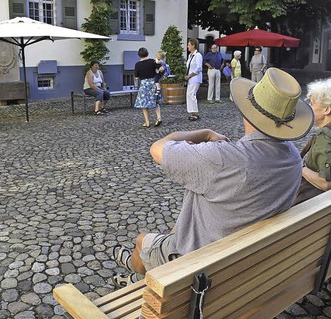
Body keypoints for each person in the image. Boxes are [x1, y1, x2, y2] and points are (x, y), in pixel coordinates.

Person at [111, 68, 313, 286]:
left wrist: (205, 134)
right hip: (250, 262)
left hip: (201, 265)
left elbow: (158, 148)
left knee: (142, 241)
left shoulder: (224, 159)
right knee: (173, 230)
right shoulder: (293, 157)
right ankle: (139, 272)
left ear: (247, 111)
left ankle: (134, 280)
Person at [134, 47, 163, 128]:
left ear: (139, 55)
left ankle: (147, 122)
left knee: (144, 104)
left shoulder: (137, 64)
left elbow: (136, 77)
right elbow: (161, 68)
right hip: (153, 83)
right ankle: (159, 118)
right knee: (155, 102)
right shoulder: (152, 61)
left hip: (144, 85)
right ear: (147, 53)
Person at [185, 38, 203, 121]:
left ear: (193, 45)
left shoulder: (198, 55)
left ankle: (195, 113)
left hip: (195, 78)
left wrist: (190, 75)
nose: (188, 46)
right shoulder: (190, 55)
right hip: (190, 78)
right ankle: (192, 112)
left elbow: (199, 68)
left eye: (189, 45)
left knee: (192, 94)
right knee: (189, 94)